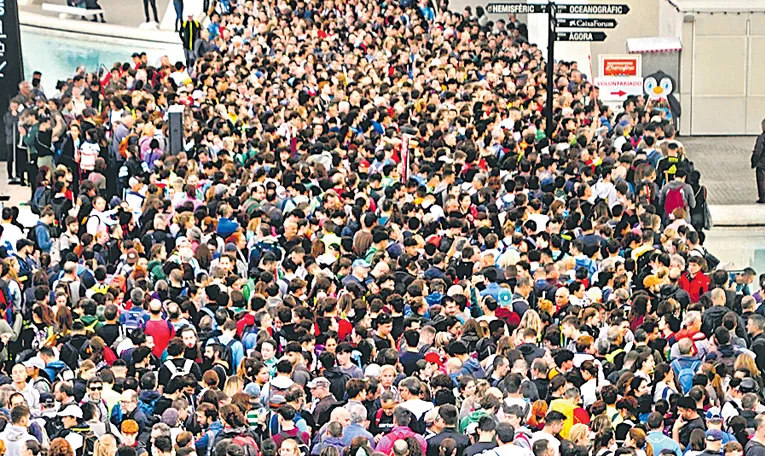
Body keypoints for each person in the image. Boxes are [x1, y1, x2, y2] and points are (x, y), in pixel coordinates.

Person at [753, 118, 765, 204]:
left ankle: (763, 197)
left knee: (761, 180)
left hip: (762, 163)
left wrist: (754, 161)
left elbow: (758, 151)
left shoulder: (762, 137)